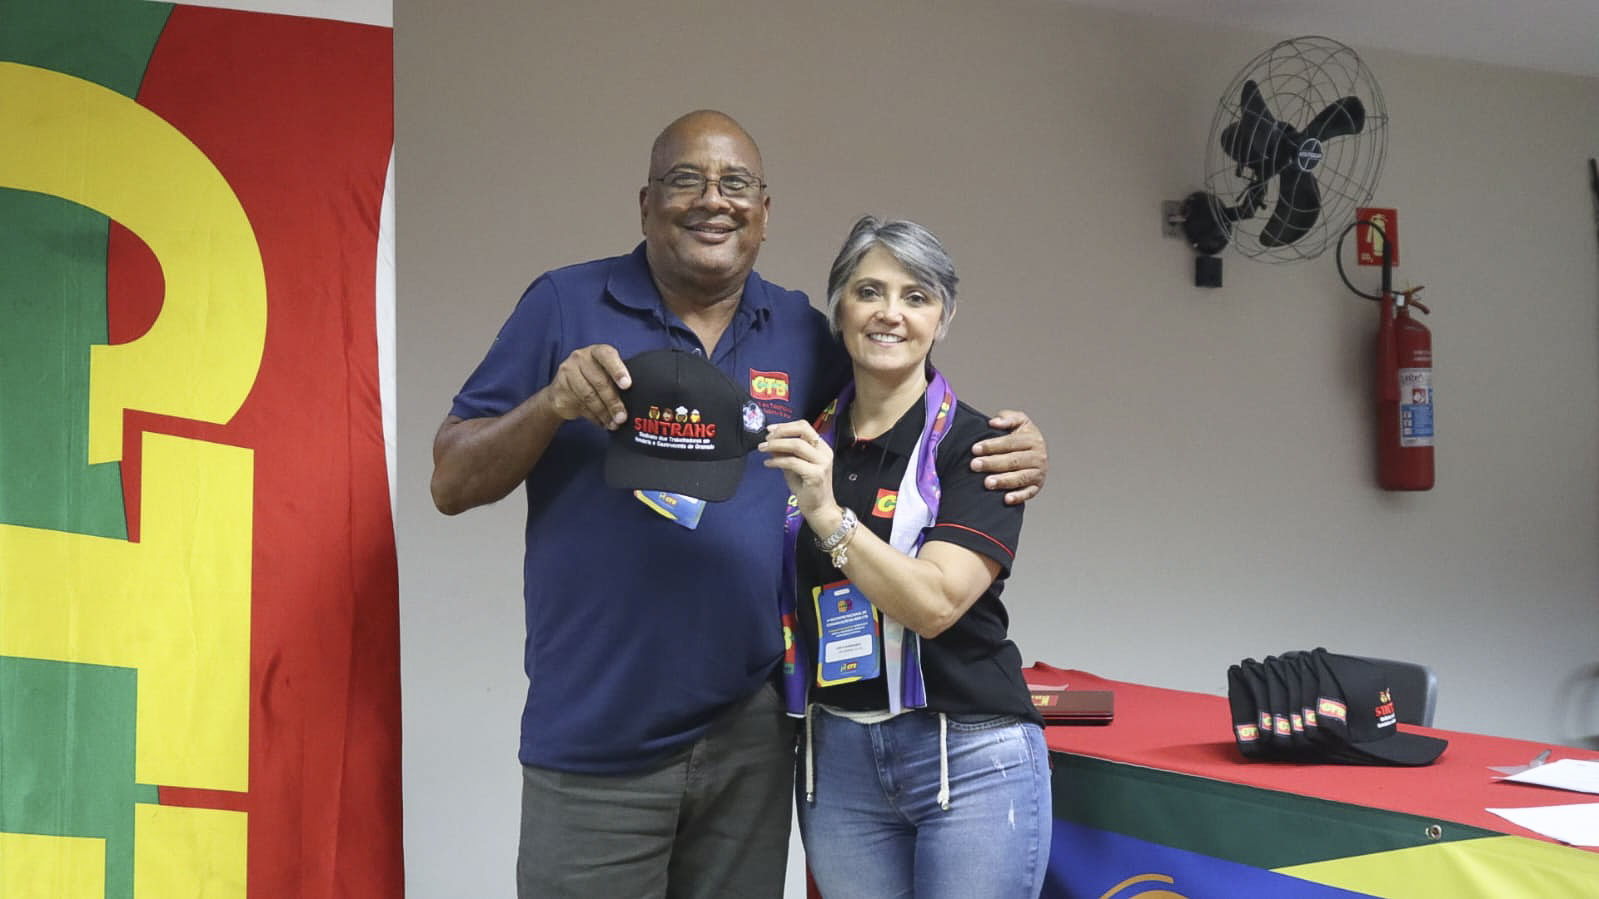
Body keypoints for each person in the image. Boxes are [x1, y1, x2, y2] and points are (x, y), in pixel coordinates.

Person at [430, 110, 1049, 899]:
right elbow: (451, 481)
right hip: (595, 731)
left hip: (752, 737)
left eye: (735, 184)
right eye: (685, 180)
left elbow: (897, 406)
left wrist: (1013, 444)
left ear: (763, 211)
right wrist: (550, 403)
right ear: (646, 203)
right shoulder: (564, 303)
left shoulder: (800, 331)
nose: (711, 200)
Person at [763, 216, 1051, 898]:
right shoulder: (802, 434)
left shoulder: (979, 446)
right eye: (869, 291)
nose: (890, 313)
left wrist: (828, 515)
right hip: (837, 756)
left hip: (968, 751)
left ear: (942, 319)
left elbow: (935, 604)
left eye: (916, 296)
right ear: (839, 309)